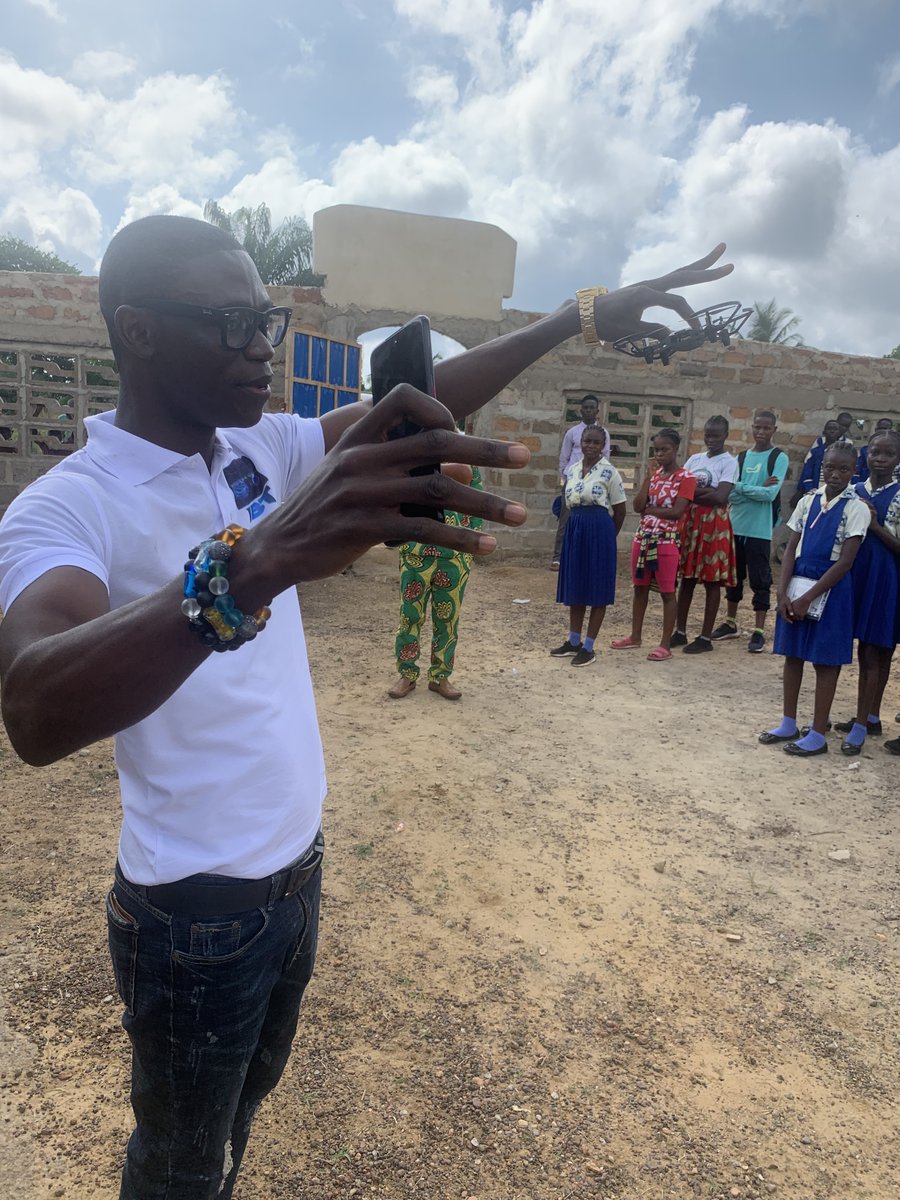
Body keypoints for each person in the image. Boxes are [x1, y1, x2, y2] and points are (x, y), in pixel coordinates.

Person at [0, 214, 734, 1200]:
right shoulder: (67, 506)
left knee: (233, 1125)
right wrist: (248, 569)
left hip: (294, 875)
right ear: (137, 331)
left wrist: (578, 314)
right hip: (192, 914)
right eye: (230, 324)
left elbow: (410, 408)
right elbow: (35, 707)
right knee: (178, 1164)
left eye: (263, 318)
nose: (261, 346)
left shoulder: (256, 445)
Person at [759, 442, 869, 757]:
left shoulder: (855, 507)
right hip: (798, 581)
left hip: (830, 588)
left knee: (825, 660)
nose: (834, 474)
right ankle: (788, 721)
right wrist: (783, 591)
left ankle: (818, 732)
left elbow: (846, 561)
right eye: (829, 467)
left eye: (843, 469)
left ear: (853, 472)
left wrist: (809, 597)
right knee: (793, 655)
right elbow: (791, 547)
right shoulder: (809, 501)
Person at [387, 462, 482, 700]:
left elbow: (478, 501)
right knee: (409, 616)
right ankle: (407, 674)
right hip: (415, 552)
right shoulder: (418, 455)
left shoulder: (467, 458)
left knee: (448, 620)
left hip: (453, 556)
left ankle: (440, 677)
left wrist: (466, 544)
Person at [833, 430, 900, 754]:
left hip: (885, 580)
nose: (881, 459)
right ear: (866, 455)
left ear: (898, 459)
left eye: (888, 454)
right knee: (866, 649)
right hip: (857, 576)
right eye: (875, 452)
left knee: (878, 649)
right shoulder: (854, 491)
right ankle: (869, 715)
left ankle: (863, 723)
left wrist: (875, 527)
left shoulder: (899, 494)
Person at [610, 428, 696, 661]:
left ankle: (665, 644)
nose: (659, 454)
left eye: (664, 450)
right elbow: (637, 506)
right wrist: (648, 480)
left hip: (666, 541)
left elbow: (677, 512)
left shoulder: (687, 478)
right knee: (640, 588)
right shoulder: (655, 476)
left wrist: (651, 510)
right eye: (656, 450)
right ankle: (635, 636)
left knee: (667, 592)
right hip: (644, 538)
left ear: (676, 449)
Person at [711, 410, 789, 653]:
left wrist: (741, 487)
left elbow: (770, 495)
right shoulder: (741, 458)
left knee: (760, 579)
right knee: (733, 578)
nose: (761, 432)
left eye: (766, 428)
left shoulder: (778, 457)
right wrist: (749, 488)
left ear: (774, 430)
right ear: (751, 428)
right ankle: (731, 622)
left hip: (759, 530)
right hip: (736, 526)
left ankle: (758, 631)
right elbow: (729, 492)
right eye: (757, 427)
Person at [549, 424, 625, 667]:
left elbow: (620, 510)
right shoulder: (572, 470)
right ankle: (573, 642)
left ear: (603, 446)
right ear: (580, 443)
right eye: (587, 441)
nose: (590, 446)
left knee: (597, 588)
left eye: (596, 442)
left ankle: (589, 646)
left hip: (600, 529)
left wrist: (607, 538)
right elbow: (566, 501)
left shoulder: (609, 473)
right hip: (576, 528)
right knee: (577, 585)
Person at [671, 415, 737, 653]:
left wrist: (694, 492)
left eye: (717, 435)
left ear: (726, 435)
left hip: (714, 525)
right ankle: (679, 631)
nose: (711, 439)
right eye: (708, 434)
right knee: (686, 578)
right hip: (691, 523)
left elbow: (722, 497)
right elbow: (680, 489)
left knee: (712, 581)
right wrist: (706, 490)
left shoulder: (729, 462)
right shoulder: (695, 459)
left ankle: (705, 637)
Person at [551, 394, 610, 568]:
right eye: (586, 407)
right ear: (581, 410)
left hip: (594, 483)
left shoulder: (604, 433)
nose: (589, 410)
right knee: (566, 519)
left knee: (590, 519)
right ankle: (558, 557)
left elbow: (605, 456)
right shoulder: (572, 433)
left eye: (592, 408)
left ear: (597, 411)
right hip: (572, 481)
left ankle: (583, 558)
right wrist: (567, 478)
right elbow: (564, 457)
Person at [794, 419, 844, 499]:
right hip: (816, 491)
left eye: (835, 429)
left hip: (836, 492)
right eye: (829, 428)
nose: (832, 431)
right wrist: (811, 490)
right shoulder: (815, 452)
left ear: (839, 433)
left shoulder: (844, 454)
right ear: (824, 432)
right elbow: (807, 474)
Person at [854, 417, 894, 484]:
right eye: (882, 428)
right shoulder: (864, 451)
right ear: (876, 430)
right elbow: (857, 472)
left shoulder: (895, 452)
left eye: (887, 429)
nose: (884, 432)